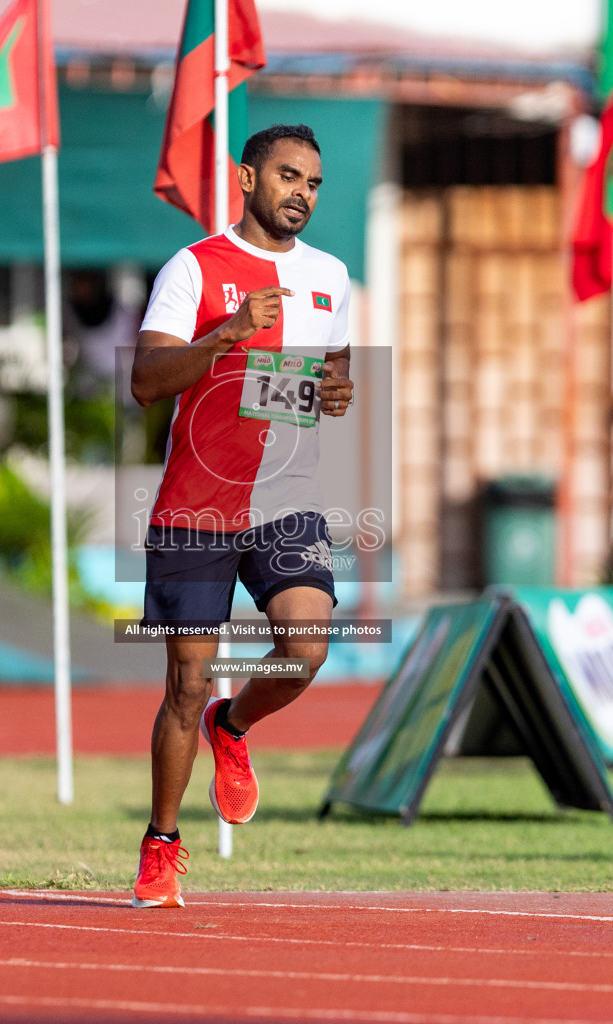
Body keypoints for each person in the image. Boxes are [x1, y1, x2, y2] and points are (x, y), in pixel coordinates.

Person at [128, 124, 355, 909]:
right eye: (288, 176)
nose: (302, 193)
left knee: (306, 645)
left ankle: (236, 725)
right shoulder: (193, 270)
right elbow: (147, 382)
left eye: (314, 183)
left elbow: (334, 371)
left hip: (284, 499)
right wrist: (228, 333)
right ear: (247, 177)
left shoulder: (331, 276)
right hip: (197, 503)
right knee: (185, 686)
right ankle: (161, 846)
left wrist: (335, 391)